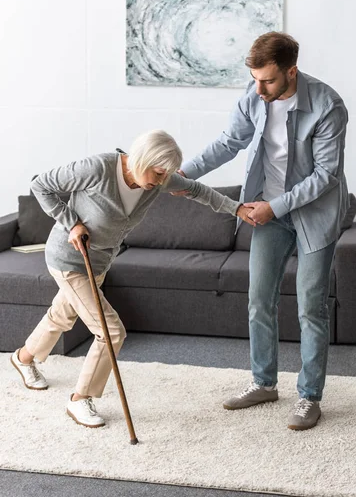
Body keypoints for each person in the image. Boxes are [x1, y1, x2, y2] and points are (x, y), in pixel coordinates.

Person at [11, 129, 254, 429]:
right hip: (69, 259)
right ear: (144, 159)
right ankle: (80, 399)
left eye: (166, 175)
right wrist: (71, 223)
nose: (162, 181)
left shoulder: (154, 181)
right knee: (111, 332)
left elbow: (197, 190)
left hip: (98, 263)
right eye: (159, 172)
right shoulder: (98, 168)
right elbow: (41, 185)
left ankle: (23, 358)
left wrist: (237, 208)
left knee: (62, 314)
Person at [177, 32, 349, 430]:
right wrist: (185, 173)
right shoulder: (254, 96)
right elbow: (228, 142)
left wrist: (276, 206)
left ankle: (309, 397)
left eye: (267, 80)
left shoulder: (327, 106)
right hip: (268, 213)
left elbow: (326, 175)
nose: (258, 88)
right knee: (259, 301)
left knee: (311, 308)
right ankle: (263, 383)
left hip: (313, 215)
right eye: (254, 79)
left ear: (291, 71)